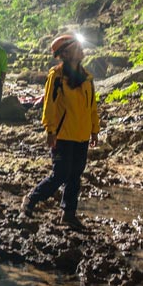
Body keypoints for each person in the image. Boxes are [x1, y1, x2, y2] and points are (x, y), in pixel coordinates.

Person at [20, 33, 100, 229]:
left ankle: (68, 214)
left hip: (81, 135)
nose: (81, 50)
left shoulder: (87, 78)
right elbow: (50, 105)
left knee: (75, 175)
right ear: (65, 53)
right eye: (76, 47)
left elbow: (92, 106)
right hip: (63, 135)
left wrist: (94, 130)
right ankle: (31, 199)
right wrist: (50, 130)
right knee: (60, 174)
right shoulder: (56, 77)